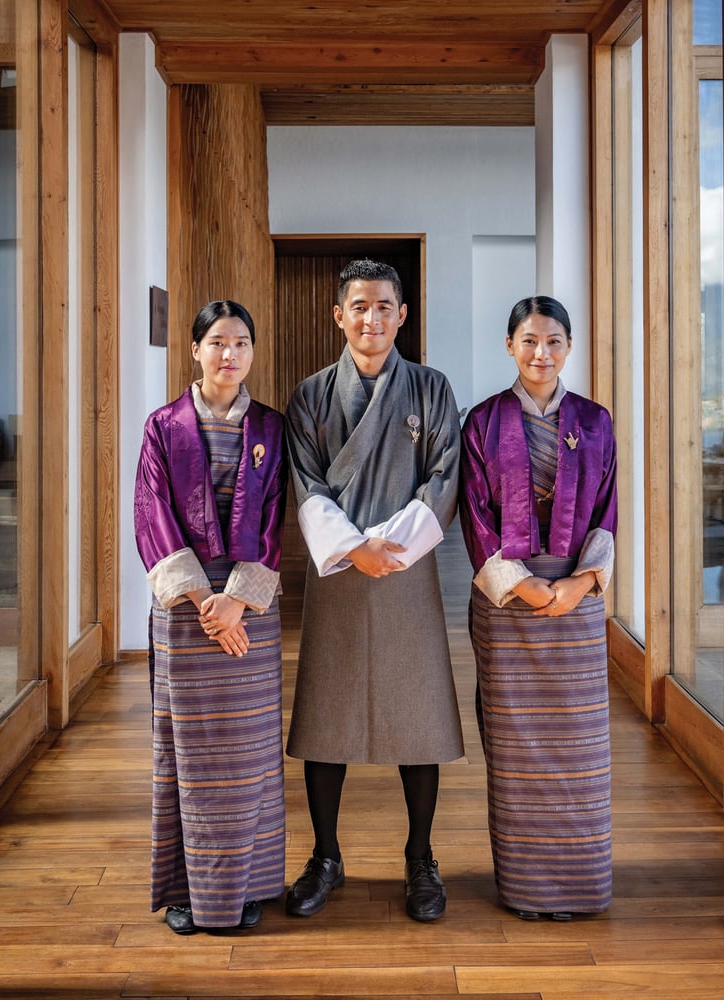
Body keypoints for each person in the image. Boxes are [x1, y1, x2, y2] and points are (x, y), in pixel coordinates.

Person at [284, 259, 463, 922]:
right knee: (328, 720)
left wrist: (388, 546)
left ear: (403, 314)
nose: (372, 319)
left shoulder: (431, 389)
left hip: (405, 572)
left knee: (417, 720)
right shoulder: (309, 396)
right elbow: (305, 482)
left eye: (385, 306)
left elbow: (445, 478)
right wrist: (353, 546)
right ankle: (325, 855)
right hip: (338, 571)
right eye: (359, 306)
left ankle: (422, 857)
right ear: (339, 315)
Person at [459, 295, 617, 922]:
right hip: (508, 605)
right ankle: (526, 887)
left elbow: (606, 510)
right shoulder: (483, 423)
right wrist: (520, 585)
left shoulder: (595, 421)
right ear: (509, 346)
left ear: (569, 347)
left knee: (580, 750)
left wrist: (581, 585)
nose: (541, 353)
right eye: (528, 341)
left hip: (575, 605)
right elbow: (473, 516)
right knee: (517, 748)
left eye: (553, 341)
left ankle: (582, 883)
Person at [134, 300, 287, 935]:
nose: (230, 354)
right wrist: (203, 599)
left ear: (253, 352)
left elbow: (277, 519)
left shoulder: (272, 429)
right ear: (194, 349)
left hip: (248, 608)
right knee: (186, 754)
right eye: (218, 342)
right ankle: (185, 888)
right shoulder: (162, 425)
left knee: (249, 752)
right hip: (187, 611)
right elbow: (152, 512)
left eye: (242, 343)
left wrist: (238, 598)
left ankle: (246, 887)